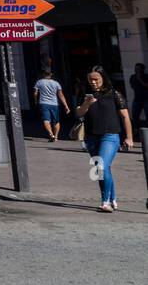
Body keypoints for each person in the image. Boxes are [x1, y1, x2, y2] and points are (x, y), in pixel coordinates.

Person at [75, 66, 134, 212]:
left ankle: (105, 202)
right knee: (101, 169)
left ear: (103, 78)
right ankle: (112, 198)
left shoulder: (114, 94)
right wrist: (87, 103)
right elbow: (78, 113)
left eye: (96, 79)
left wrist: (129, 137)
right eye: (90, 79)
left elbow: (125, 117)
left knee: (101, 166)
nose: (93, 82)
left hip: (110, 136)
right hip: (91, 138)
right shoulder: (85, 95)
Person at [32, 69, 69, 143]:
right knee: (56, 121)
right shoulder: (56, 83)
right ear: (51, 74)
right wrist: (66, 106)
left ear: (43, 74)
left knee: (46, 120)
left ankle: (51, 134)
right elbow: (60, 95)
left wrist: (36, 100)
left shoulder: (39, 82)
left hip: (44, 103)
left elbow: (35, 93)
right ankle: (56, 136)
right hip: (54, 104)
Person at [129, 63, 147, 131]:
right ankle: (136, 129)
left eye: (138, 68)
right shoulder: (133, 77)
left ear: (142, 69)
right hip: (137, 98)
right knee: (135, 115)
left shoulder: (146, 76)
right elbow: (132, 86)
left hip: (146, 98)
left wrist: (140, 79)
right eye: (136, 68)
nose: (136, 70)